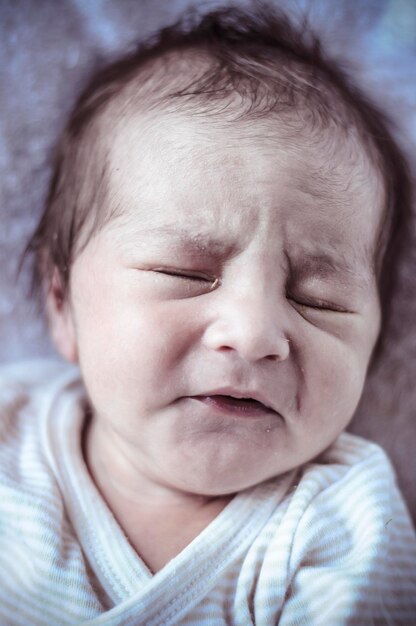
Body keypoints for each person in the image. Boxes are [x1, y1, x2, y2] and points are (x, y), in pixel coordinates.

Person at [1, 5, 416, 625]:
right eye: (185, 274)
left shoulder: (341, 519)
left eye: (319, 300)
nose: (252, 335)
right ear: (62, 305)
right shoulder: (10, 428)